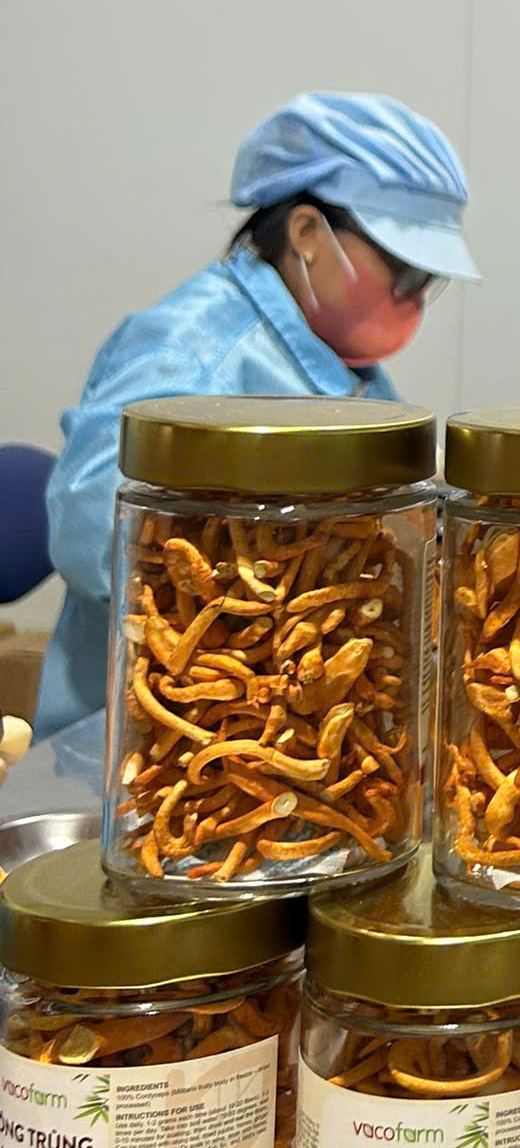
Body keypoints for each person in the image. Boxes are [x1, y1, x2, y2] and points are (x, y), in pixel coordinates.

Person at [40, 93, 478, 738]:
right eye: (403, 272)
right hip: (152, 730)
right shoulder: (189, 349)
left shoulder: (341, 362)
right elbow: (89, 536)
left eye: (427, 282)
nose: (413, 300)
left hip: (288, 725)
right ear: (307, 233)